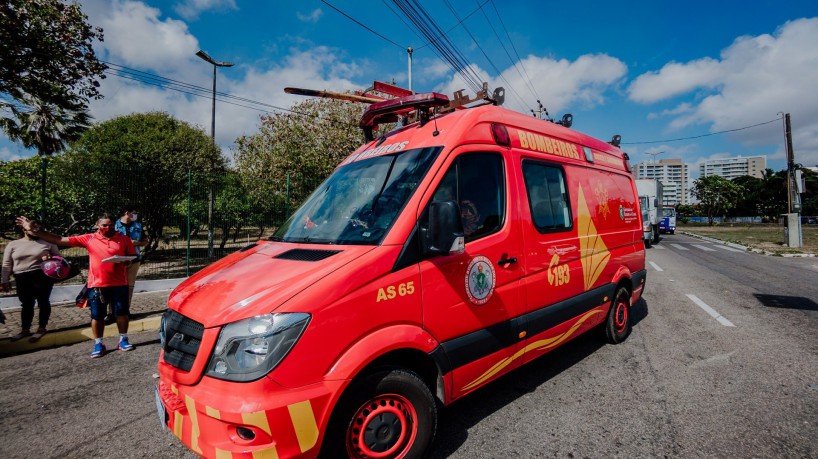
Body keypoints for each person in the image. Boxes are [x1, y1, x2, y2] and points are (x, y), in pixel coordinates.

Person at [16, 214, 137, 357]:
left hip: (120, 283)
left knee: (122, 313)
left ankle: (123, 339)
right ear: (97, 225)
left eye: (110, 225)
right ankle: (99, 343)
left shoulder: (124, 239)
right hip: (97, 285)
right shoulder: (90, 238)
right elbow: (59, 240)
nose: (108, 228)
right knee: (97, 316)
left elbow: (131, 257)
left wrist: (126, 262)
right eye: (104, 225)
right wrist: (36, 231)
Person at [1, 220, 61, 342]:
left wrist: (50, 259)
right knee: (26, 304)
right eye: (32, 228)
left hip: (41, 275)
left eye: (37, 228)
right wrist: (4, 280)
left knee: (43, 301)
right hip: (21, 277)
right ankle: (25, 329)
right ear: (24, 230)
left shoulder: (48, 242)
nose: (35, 230)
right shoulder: (13, 244)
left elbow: (59, 259)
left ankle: (41, 328)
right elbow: (7, 264)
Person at [110, 205, 148, 320]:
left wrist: (137, 243)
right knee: (114, 287)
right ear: (127, 213)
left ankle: (125, 310)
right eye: (134, 213)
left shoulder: (138, 226)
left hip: (134, 259)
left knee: (129, 287)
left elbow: (145, 241)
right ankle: (112, 313)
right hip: (117, 260)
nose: (135, 215)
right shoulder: (114, 225)